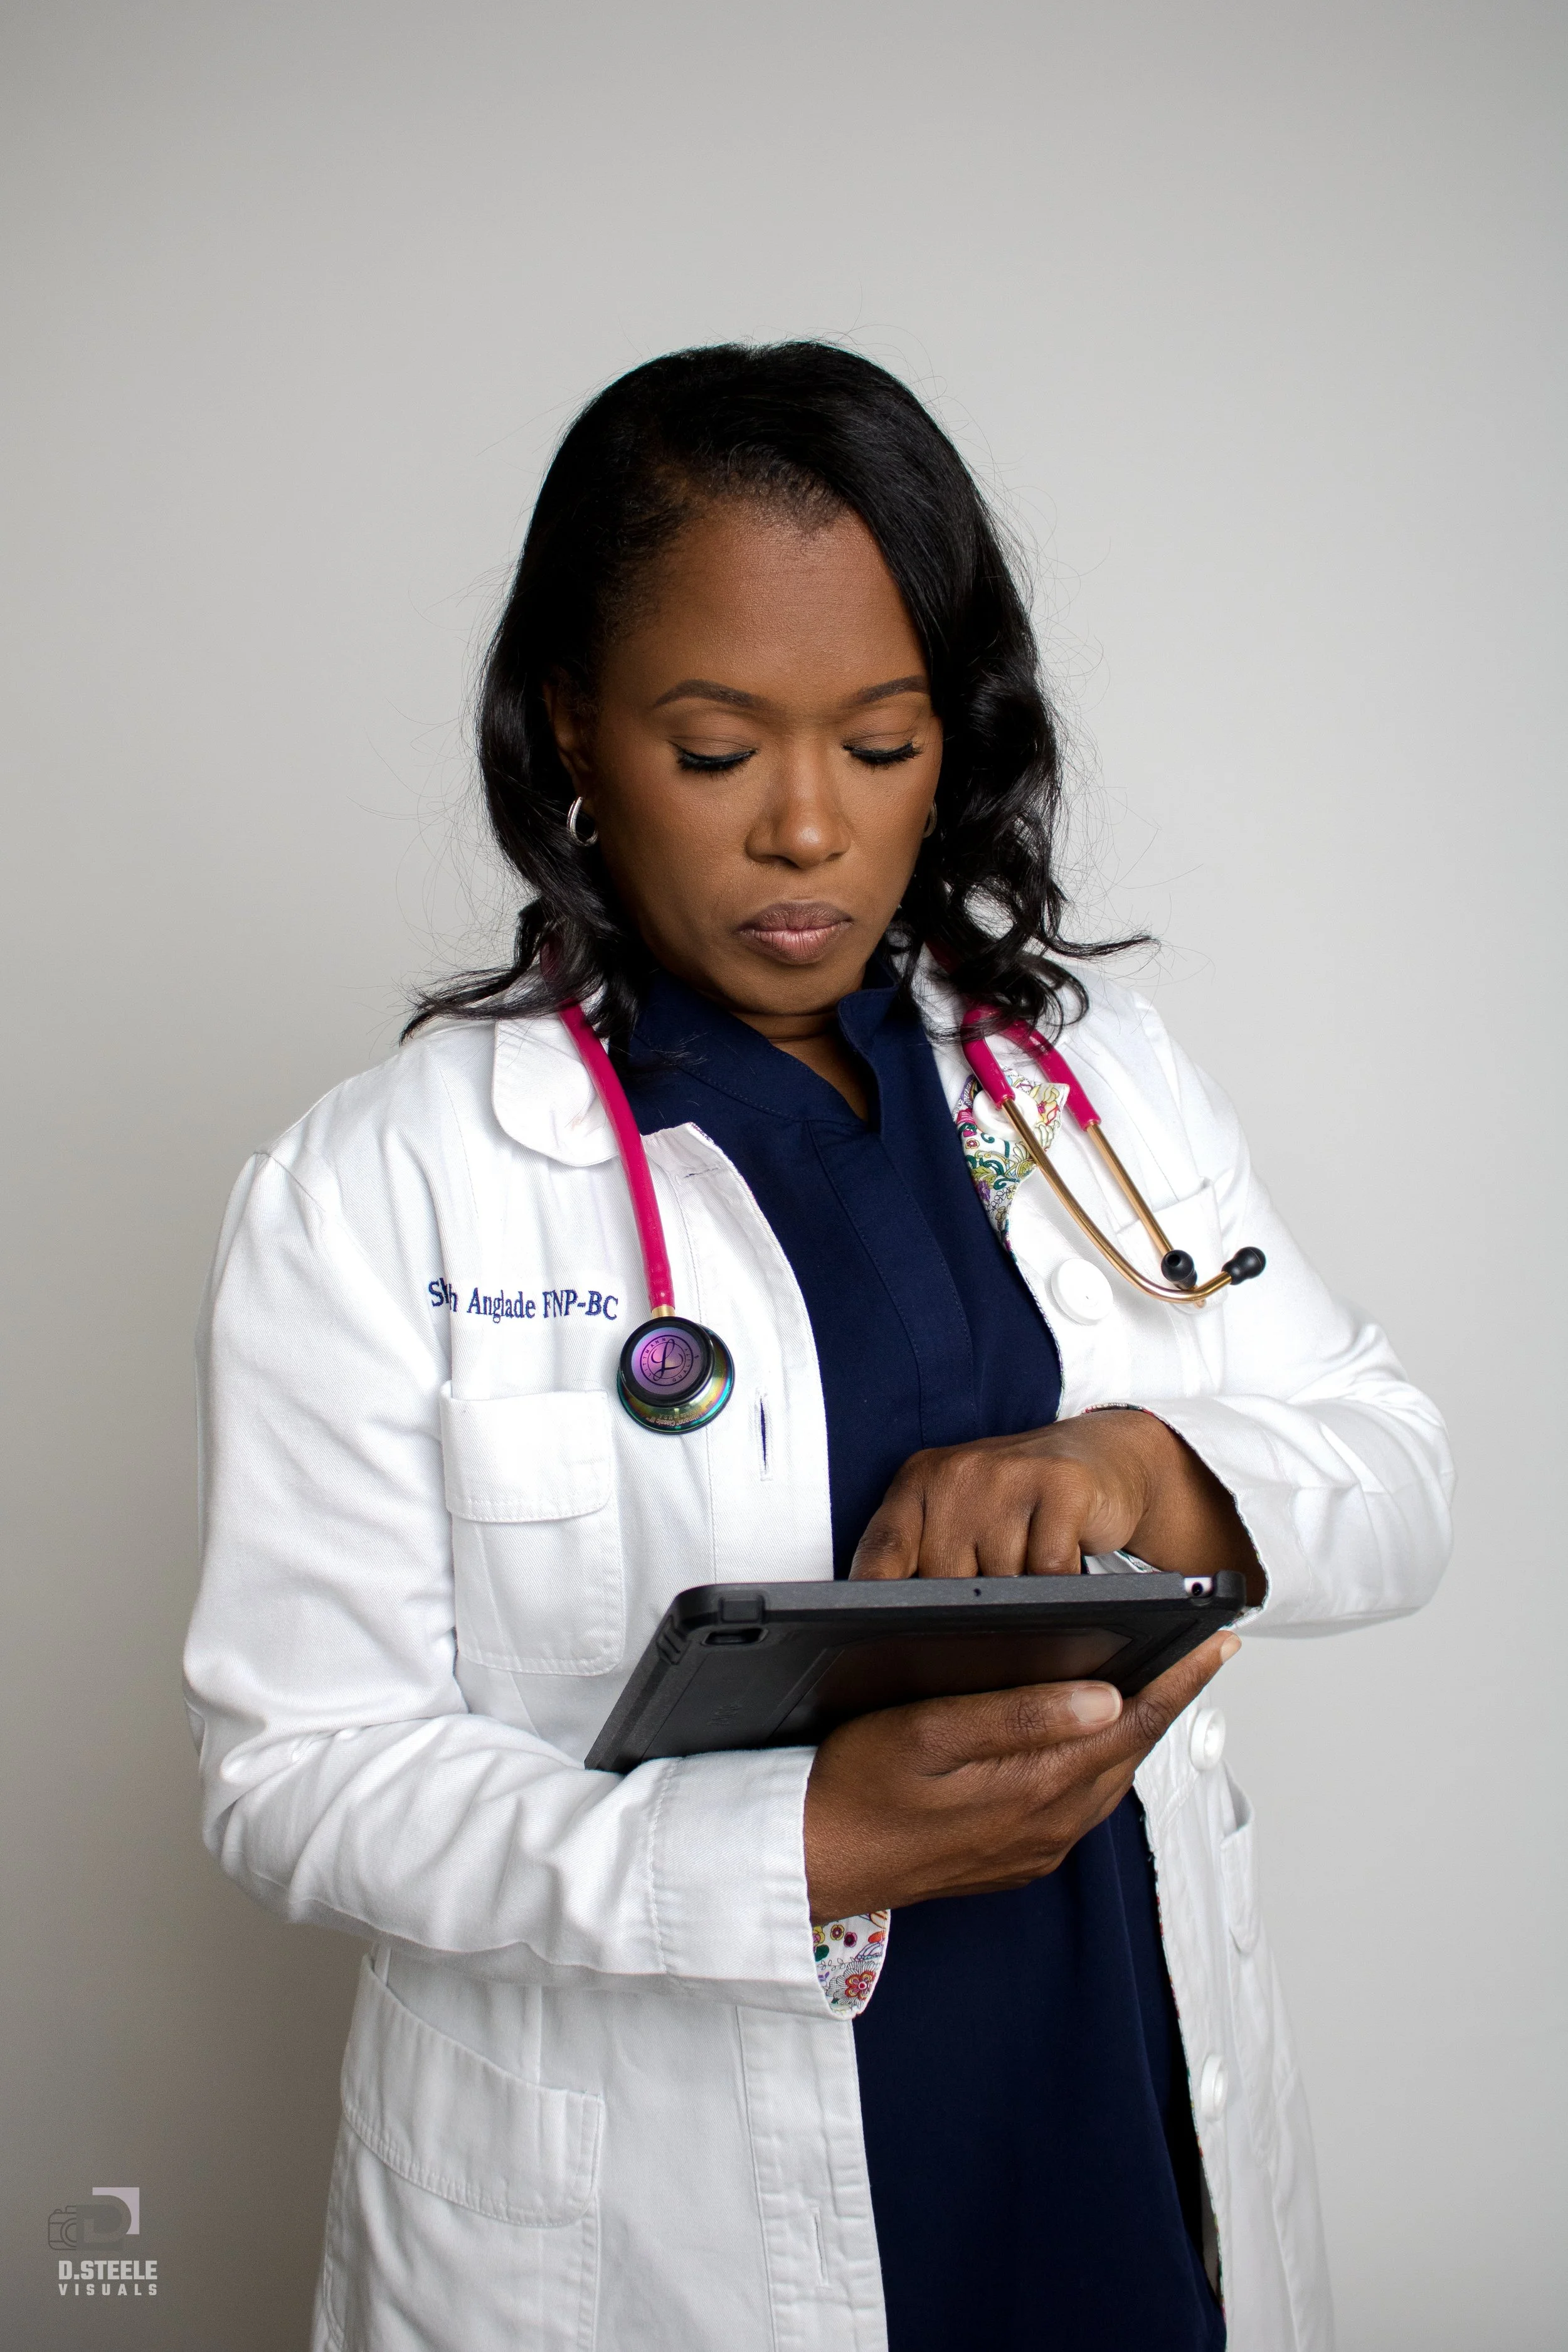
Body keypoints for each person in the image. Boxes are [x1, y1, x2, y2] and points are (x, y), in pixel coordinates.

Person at [183, 342, 1452, 2352]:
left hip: (1092, 2089)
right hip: (657, 2213)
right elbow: (301, 1770)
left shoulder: (1086, 1079)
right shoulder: (388, 1185)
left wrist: (1138, 1464)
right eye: (714, 751)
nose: (804, 829)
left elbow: (1393, 1475)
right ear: (571, 722)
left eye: (879, 743)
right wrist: (794, 1844)